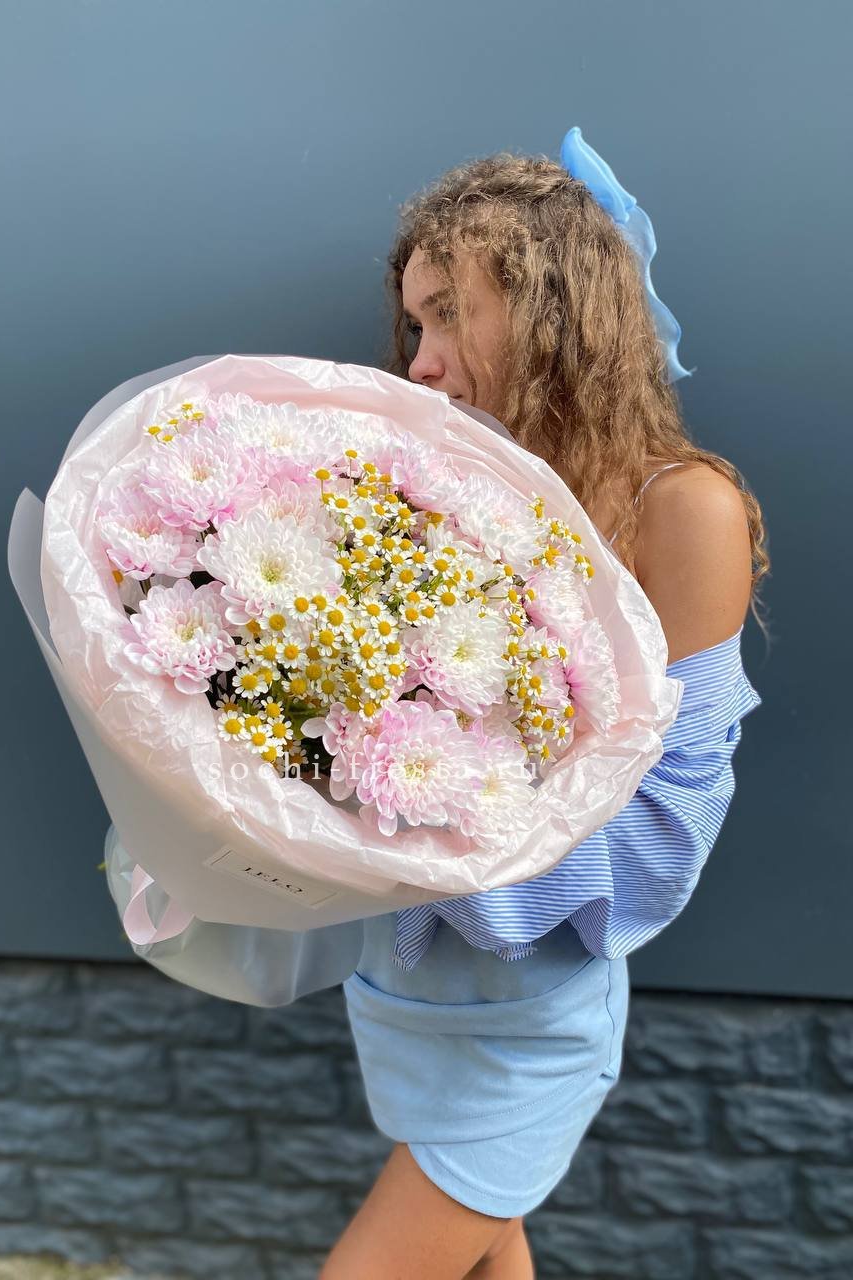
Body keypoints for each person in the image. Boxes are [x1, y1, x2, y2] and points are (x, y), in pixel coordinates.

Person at [319, 129, 769, 1279]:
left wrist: (418, 821)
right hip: (405, 986)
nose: (420, 363)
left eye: (448, 316)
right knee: (488, 1258)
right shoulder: (441, 492)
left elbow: (668, 825)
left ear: (554, 311)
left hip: (533, 1017)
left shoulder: (684, 510)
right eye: (413, 325)